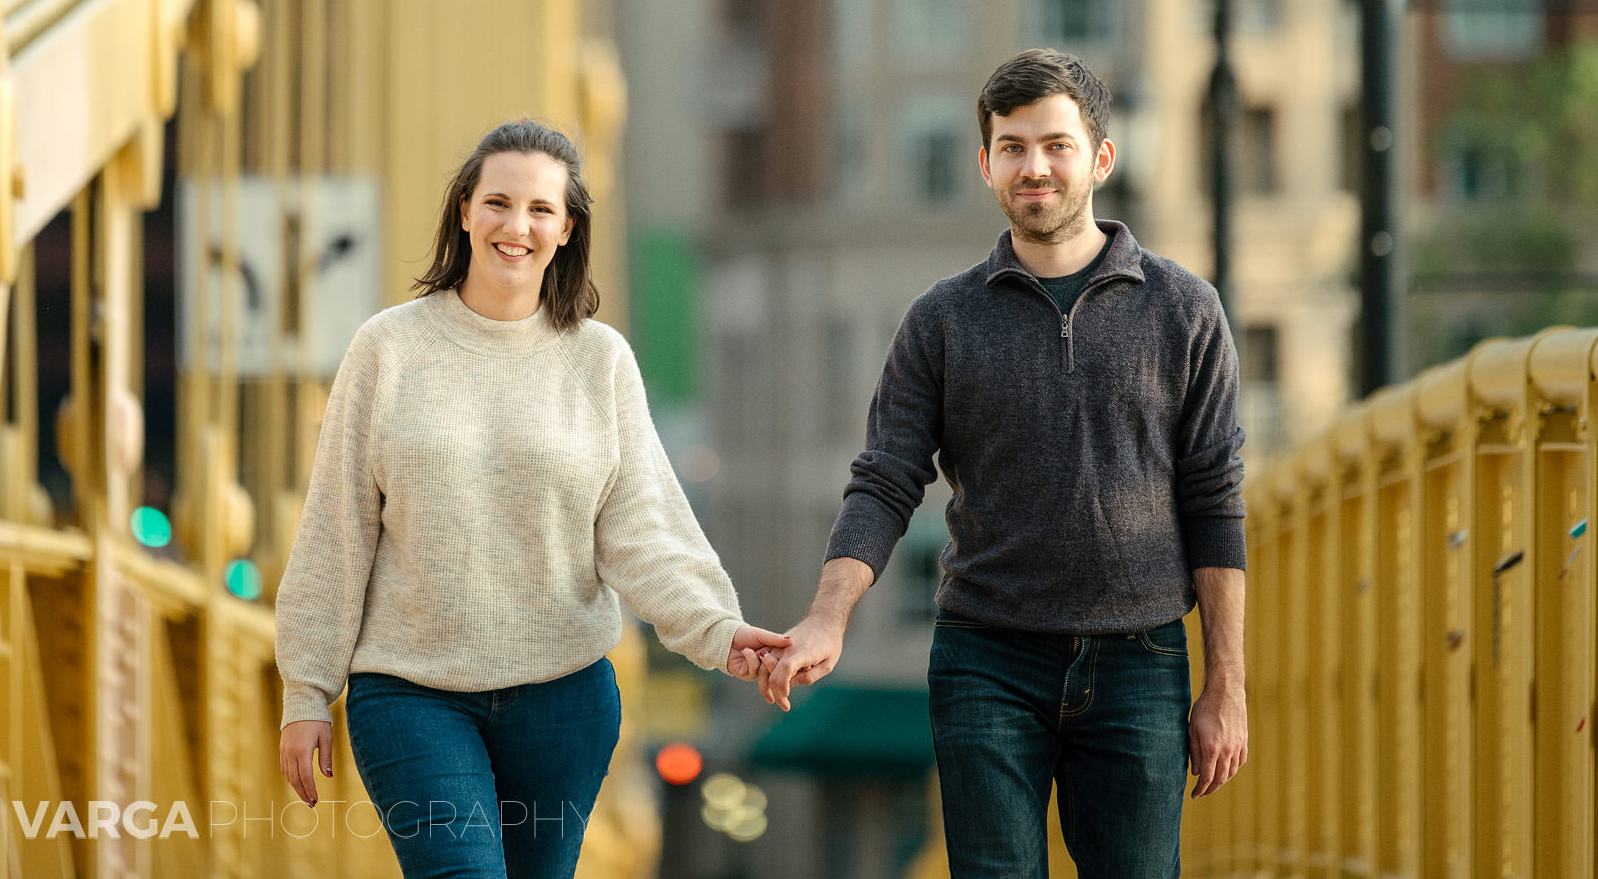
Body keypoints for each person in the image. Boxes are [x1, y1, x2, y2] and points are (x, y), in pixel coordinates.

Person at [759, 49, 1249, 879]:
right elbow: (884, 478)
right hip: (987, 658)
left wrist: (1226, 684)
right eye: (1014, 147)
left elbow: (1214, 500)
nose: (1036, 168)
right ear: (987, 165)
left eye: (1056, 145)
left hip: (1140, 658)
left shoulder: (1184, 310)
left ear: (1100, 158)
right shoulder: (941, 320)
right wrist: (827, 616)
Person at [275, 120, 787, 879]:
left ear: (566, 228)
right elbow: (336, 529)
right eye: (498, 202)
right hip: (413, 695)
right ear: (464, 212)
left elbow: (640, 530)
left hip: (564, 702)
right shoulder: (388, 349)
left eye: (540, 209)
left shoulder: (598, 360)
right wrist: (306, 691)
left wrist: (719, 630)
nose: (517, 226)